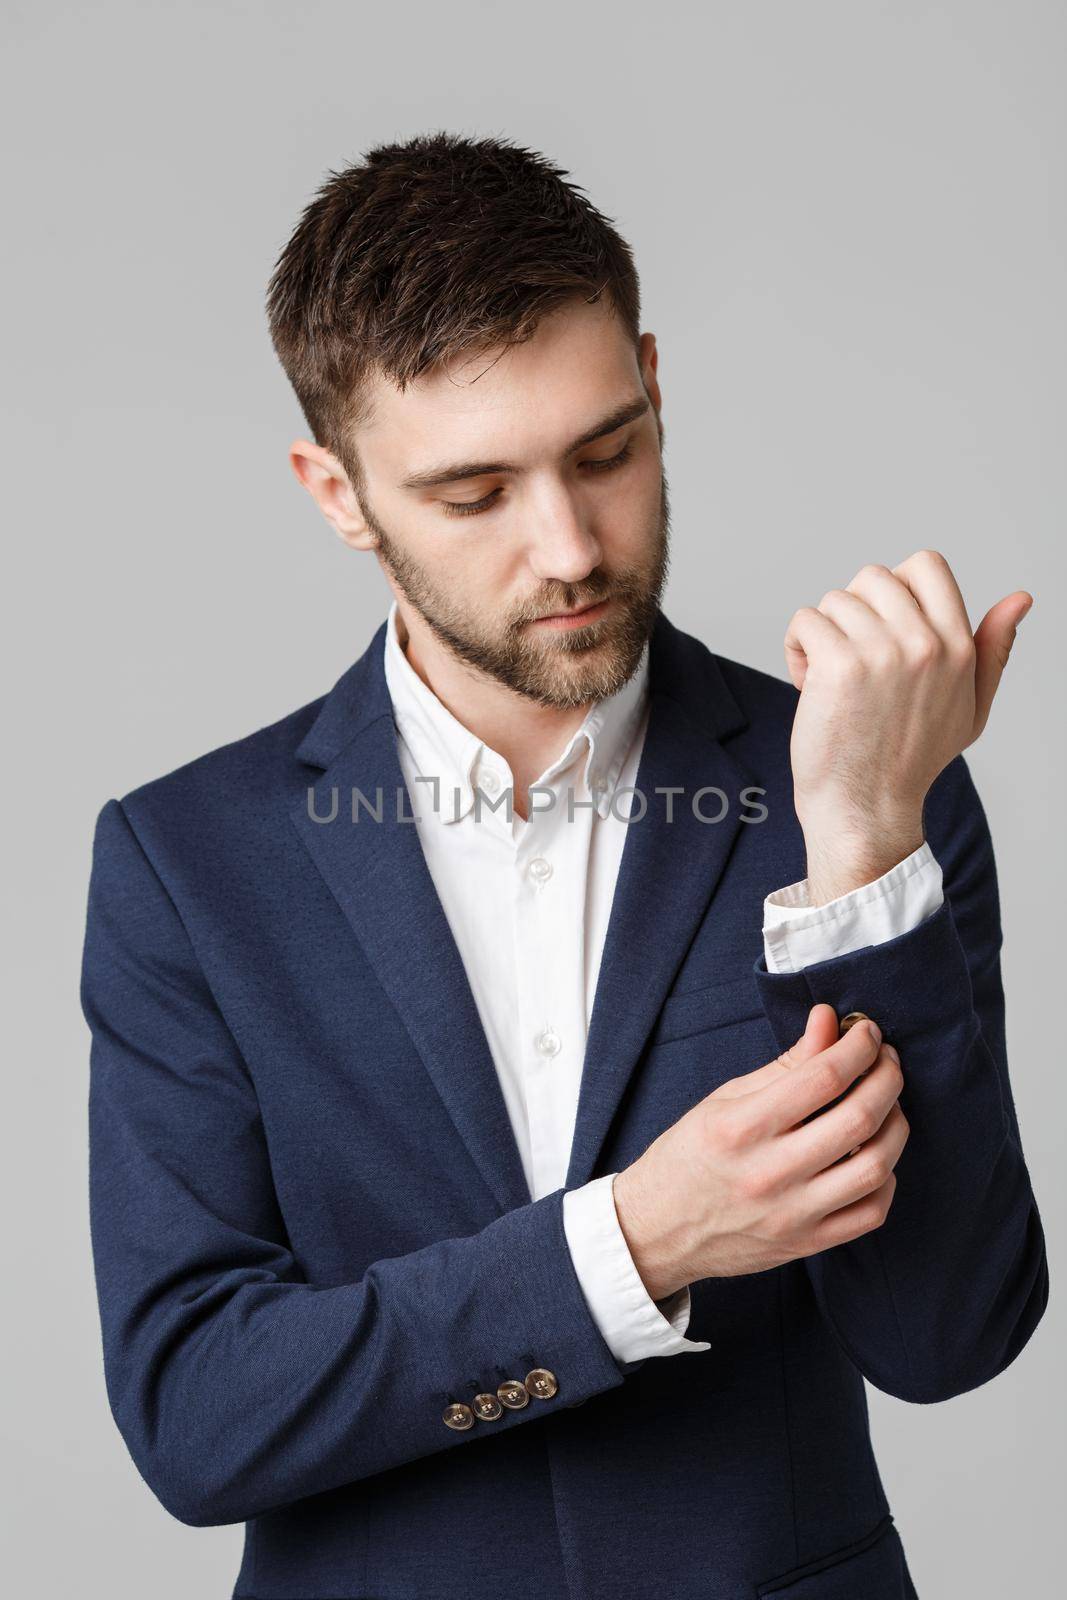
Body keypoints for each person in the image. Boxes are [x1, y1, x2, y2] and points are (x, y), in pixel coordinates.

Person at [81, 131, 1048, 1600]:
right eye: (475, 496)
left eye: (608, 452)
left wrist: (860, 847)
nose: (572, 547)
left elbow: (949, 1340)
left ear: (656, 385)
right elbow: (198, 1416)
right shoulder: (187, 864)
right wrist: (634, 1247)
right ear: (337, 491)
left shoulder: (867, 779)